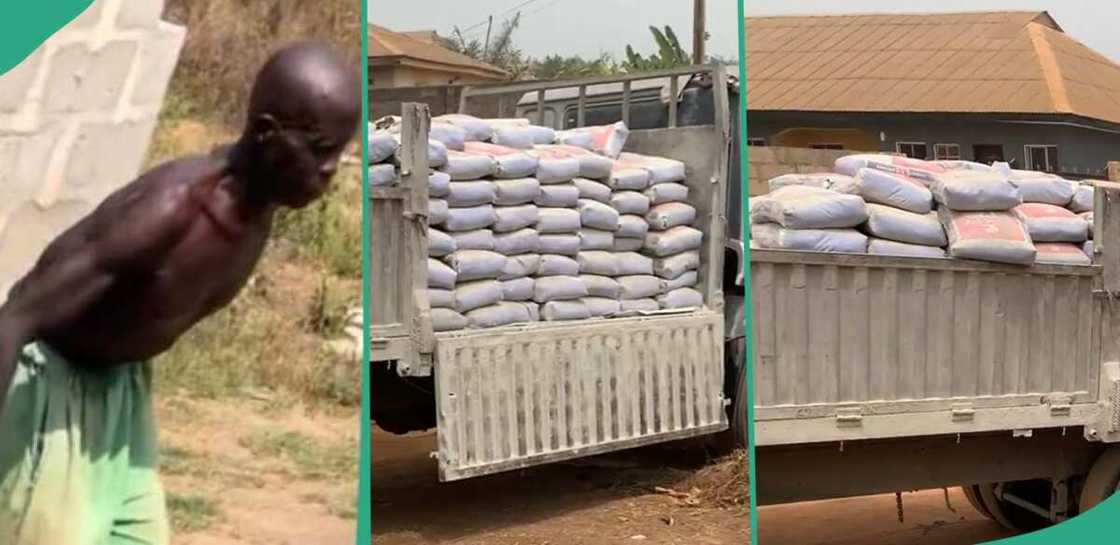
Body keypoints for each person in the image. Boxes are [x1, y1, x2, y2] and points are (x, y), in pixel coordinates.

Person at [0, 41, 360, 545]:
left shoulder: (259, 208)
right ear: (266, 134)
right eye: (320, 150)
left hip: (121, 393)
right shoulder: (172, 209)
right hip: (50, 394)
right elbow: (15, 317)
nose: (331, 169)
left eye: (340, 151)